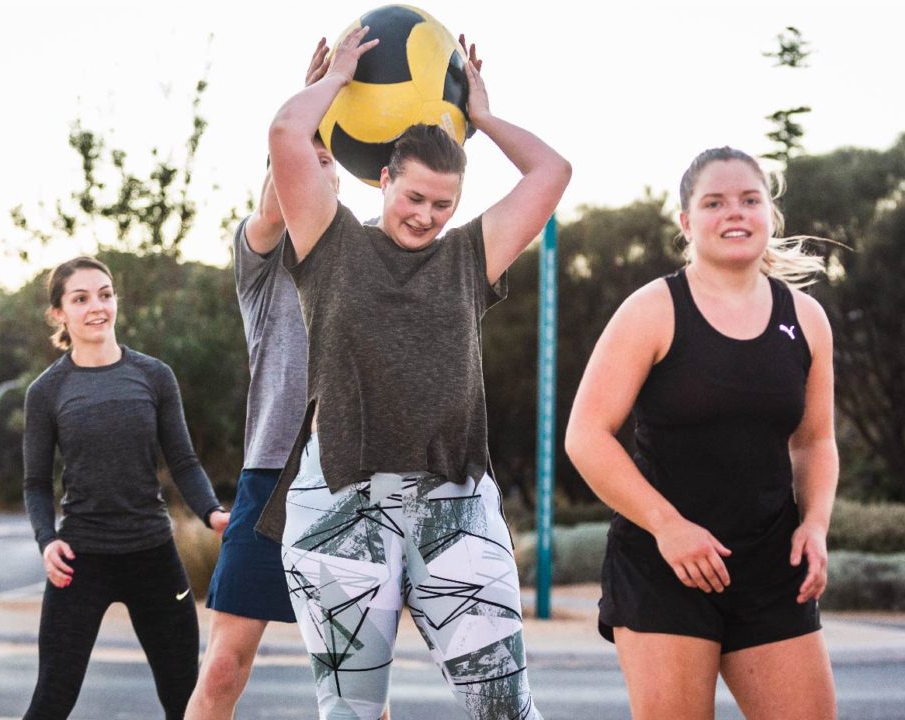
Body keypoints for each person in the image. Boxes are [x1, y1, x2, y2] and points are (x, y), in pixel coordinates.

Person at [256, 27, 571, 720]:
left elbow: (552, 173)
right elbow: (286, 132)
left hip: (453, 503)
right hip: (341, 503)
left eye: (443, 204)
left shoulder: (469, 257)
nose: (425, 216)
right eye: (414, 197)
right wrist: (334, 82)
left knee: (507, 711)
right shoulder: (330, 242)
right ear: (385, 179)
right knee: (351, 714)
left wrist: (482, 116)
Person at [565, 147, 838, 720]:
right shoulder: (653, 310)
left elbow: (814, 441)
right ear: (687, 222)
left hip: (770, 567)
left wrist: (815, 525)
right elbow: (587, 435)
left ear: (770, 214)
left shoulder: (807, 318)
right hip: (664, 566)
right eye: (714, 203)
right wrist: (668, 527)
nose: (733, 213)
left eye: (749, 200)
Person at [183, 40, 393, 720]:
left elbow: (428, 203)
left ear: (343, 182)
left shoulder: (373, 254)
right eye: (300, 161)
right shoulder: (261, 260)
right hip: (269, 482)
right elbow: (276, 203)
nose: (310, 170)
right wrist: (309, 113)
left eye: (325, 162)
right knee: (220, 672)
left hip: (353, 485)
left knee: (359, 688)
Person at [22, 256, 230, 720]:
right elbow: (36, 483)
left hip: (153, 556)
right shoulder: (47, 391)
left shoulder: (154, 376)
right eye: (81, 298)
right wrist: (47, 540)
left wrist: (211, 513)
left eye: (105, 294)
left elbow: (183, 460)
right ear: (60, 313)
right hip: (80, 561)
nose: (97, 307)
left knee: (185, 699)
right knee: (52, 699)